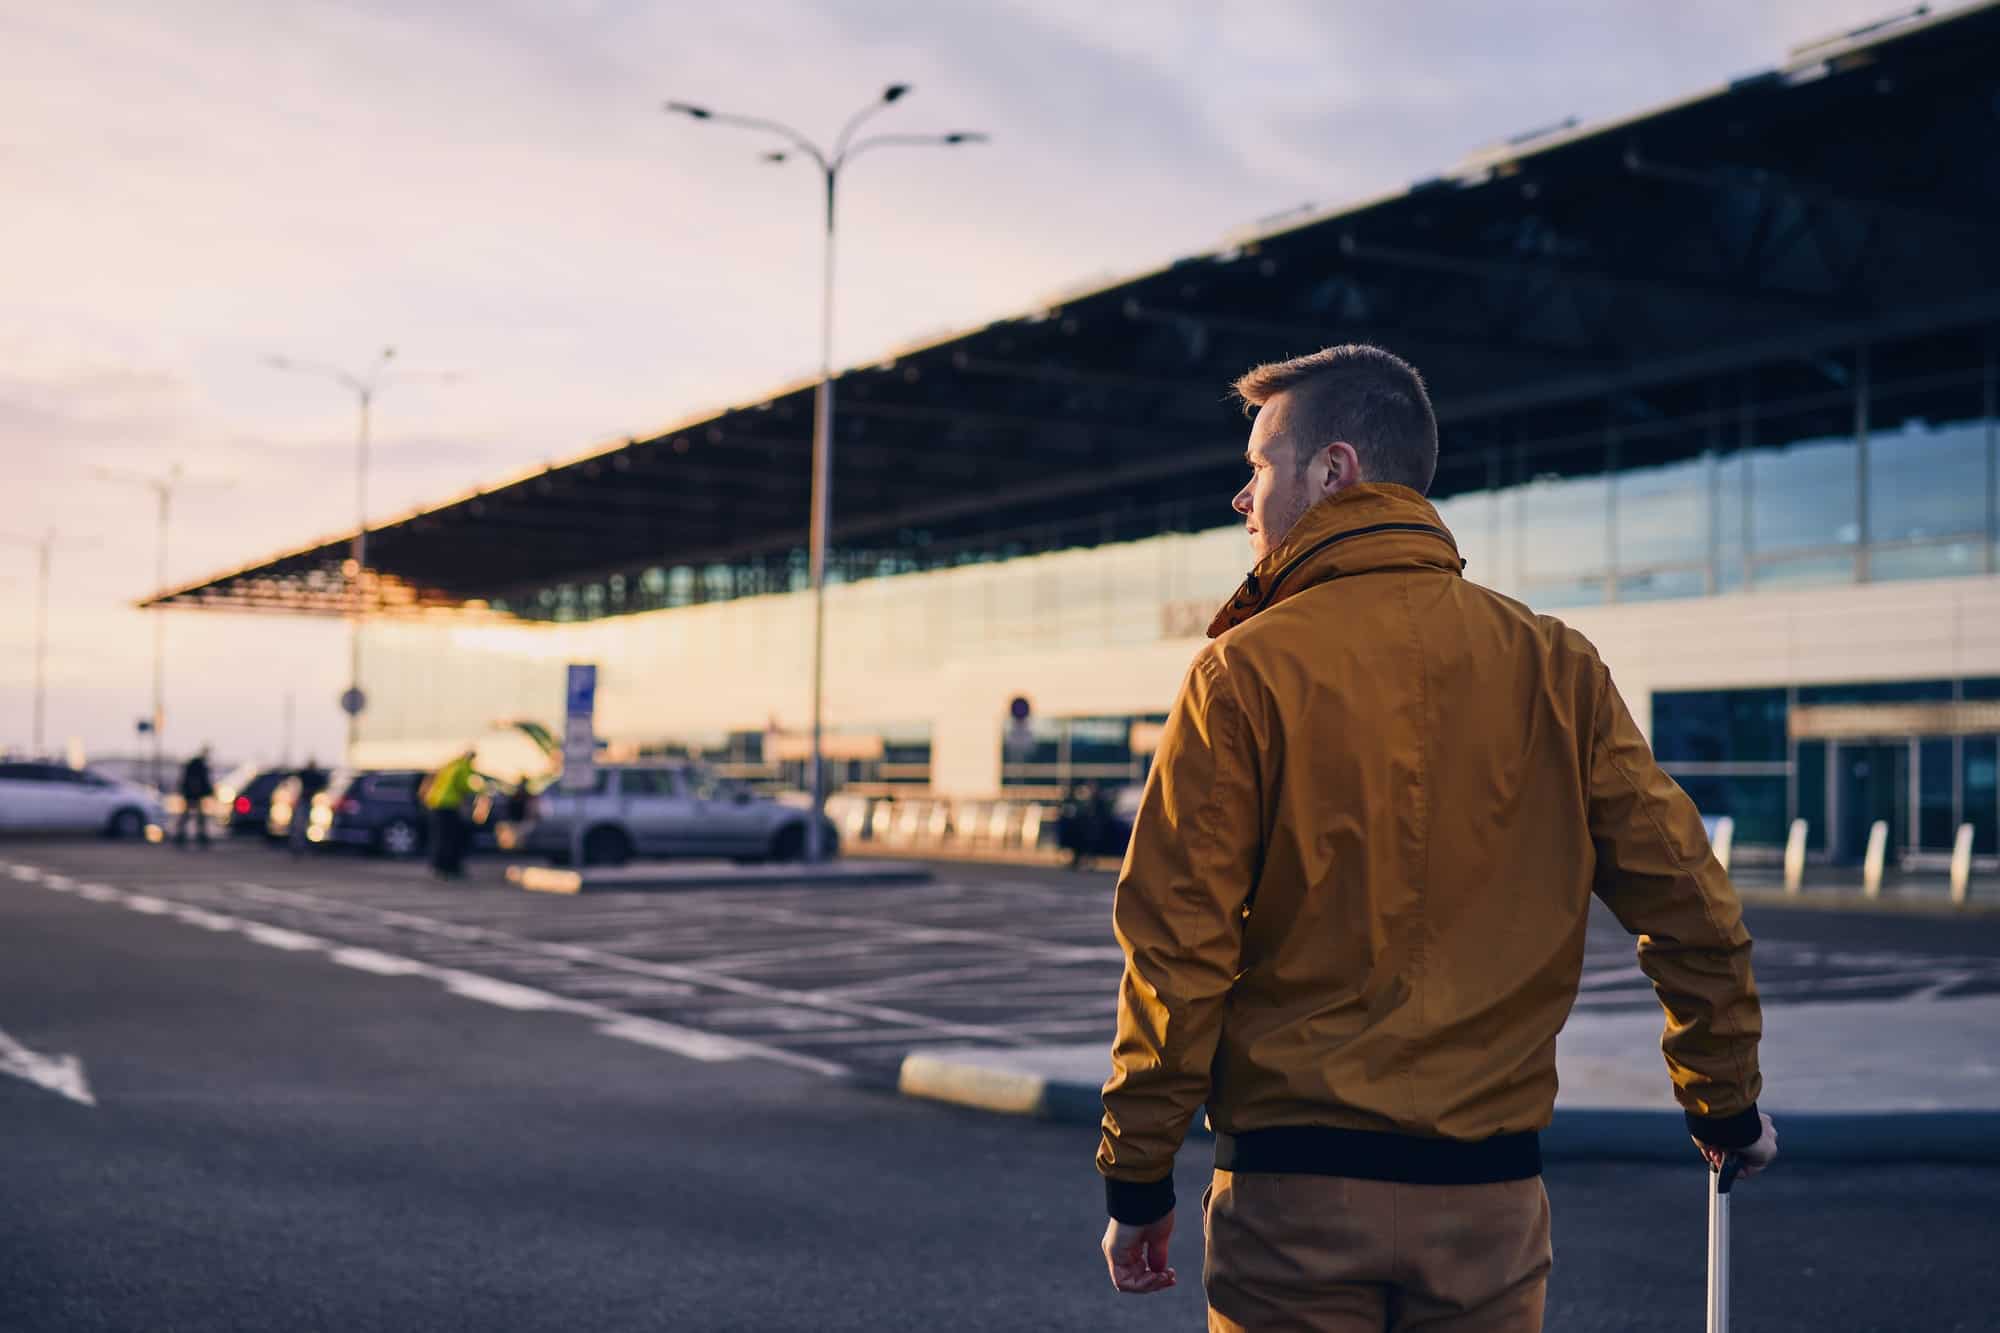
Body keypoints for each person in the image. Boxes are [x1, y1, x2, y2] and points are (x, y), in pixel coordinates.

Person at [1096, 344, 1775, 1331]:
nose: (1242, 499)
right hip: (1486, 1207)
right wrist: (1722, 1101)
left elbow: (1176, 948)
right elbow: (1685, 895)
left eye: (1258, 468)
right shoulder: (1551, 663)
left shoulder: (1239, 675)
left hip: (1292, 1199)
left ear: (1333, 470)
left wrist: (1137, 1174)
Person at [420, 750, 481, 880]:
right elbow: (464, 786)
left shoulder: (450, 765)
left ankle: (438, 867)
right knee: (450, 838)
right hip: (447, 806)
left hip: (435, 804)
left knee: (439, 838)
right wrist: (479, 790)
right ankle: (449, 868)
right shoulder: (463, 767)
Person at [173, 747, 215, 848]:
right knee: (196, 817)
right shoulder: (199, 765)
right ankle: (198, 837)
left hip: (191, 794)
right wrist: (208, 792)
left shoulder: (195, 764)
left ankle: (181, 836)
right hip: (194, 794)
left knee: (188, 816)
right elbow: (203, 781)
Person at [290, 758, 328, 857]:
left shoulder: (312, 775)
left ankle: (301, 847)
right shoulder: (309, 774)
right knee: (301, 826)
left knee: (304, 826)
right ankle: (299, 847)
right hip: (306, 802)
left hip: (310, 802)